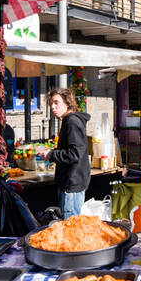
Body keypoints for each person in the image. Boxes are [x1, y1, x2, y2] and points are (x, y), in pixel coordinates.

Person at [46, 87, 91, 219]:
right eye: (51, 104)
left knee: (71, 228)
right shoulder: (69, 121)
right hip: (70, 181)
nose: (53, 107)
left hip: (72, 183)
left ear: (67, 102)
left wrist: (51, 155)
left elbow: (75, 153)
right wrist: (51, 153)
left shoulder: (72, 121)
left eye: (56, 102)